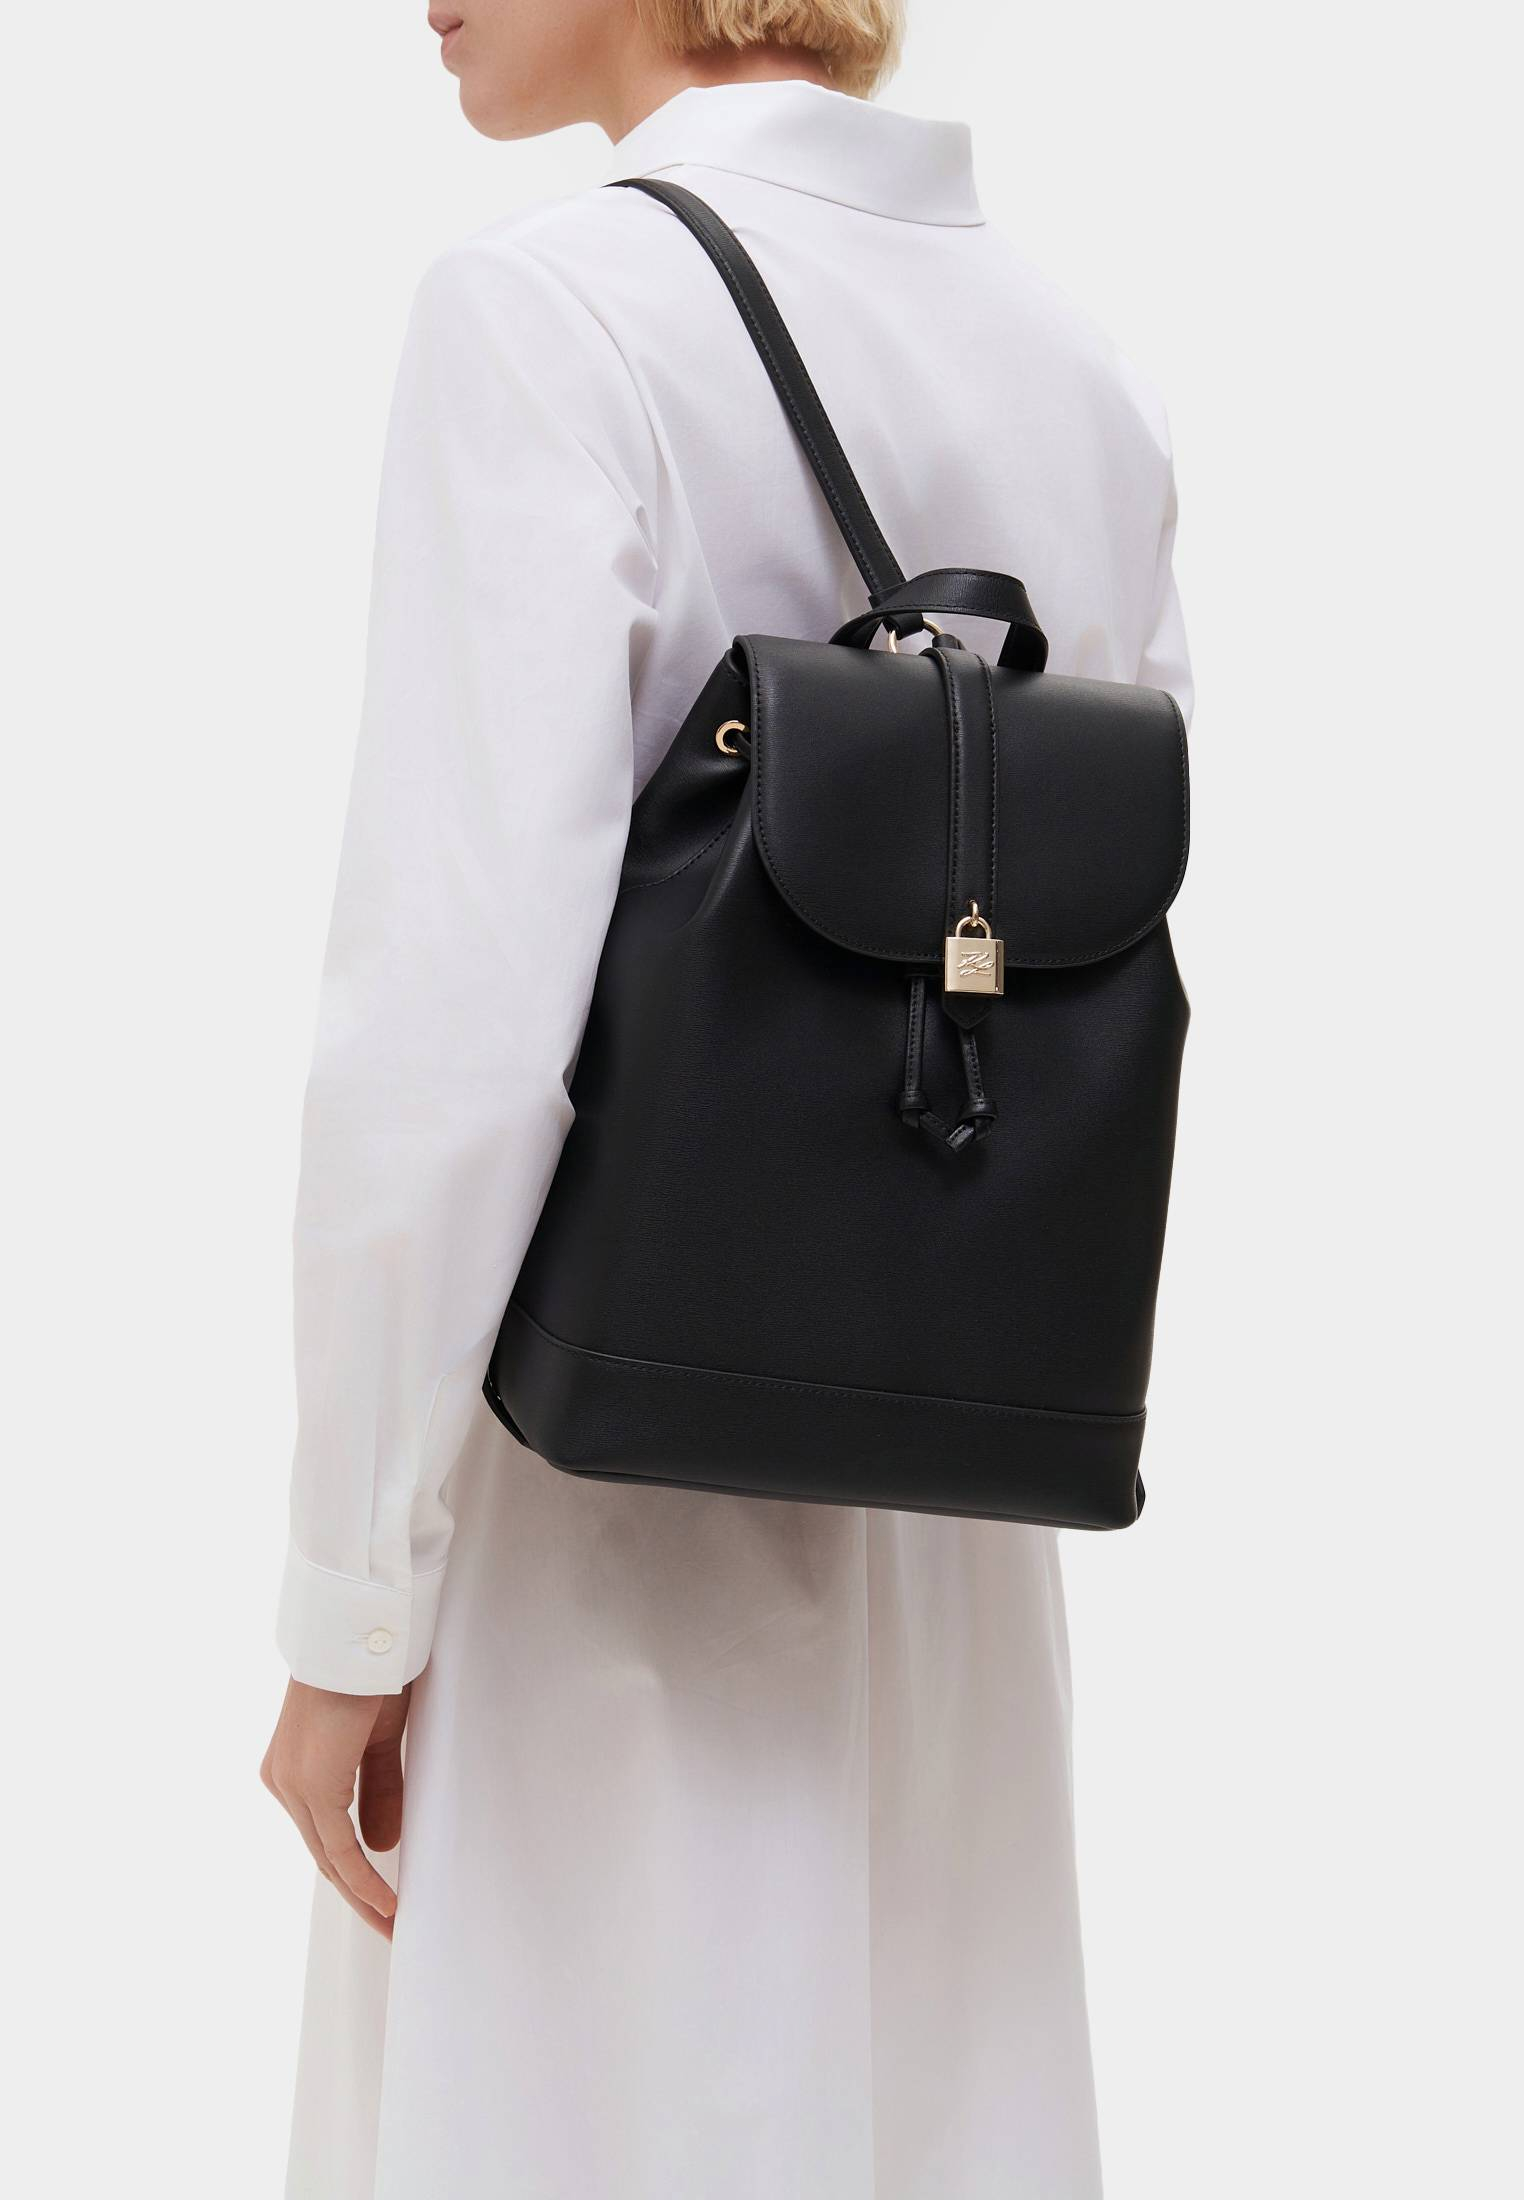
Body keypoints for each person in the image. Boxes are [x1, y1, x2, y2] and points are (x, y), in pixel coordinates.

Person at [262, 2, 1190, 2193]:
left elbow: (454, 1020)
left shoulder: (552, 308)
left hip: (604, 1496)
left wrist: (350, 1600)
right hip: (956, 1503)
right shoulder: (1073, 357)